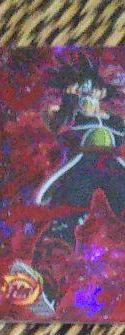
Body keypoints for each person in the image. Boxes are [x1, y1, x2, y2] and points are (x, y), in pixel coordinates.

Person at [15, 53, 125, 312]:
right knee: (64, 221)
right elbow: (56, 123)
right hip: (81, 168)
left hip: (112, 168)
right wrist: (70, 101)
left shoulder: (114, 119)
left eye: (93, 87)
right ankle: (45, 287)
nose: (89, 93)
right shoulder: (68, 113)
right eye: (82, 88)